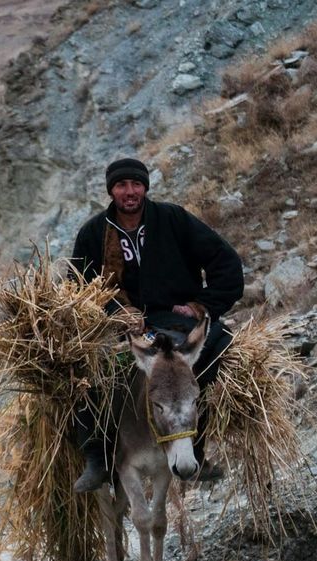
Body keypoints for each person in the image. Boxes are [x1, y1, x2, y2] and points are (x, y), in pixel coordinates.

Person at [69, 157, 244, 493]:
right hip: (116, 326)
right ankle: (98, 456)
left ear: (145, 187)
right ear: (111, 191)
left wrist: (201, 305)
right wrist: (112, 311)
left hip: (173, 321)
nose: (129, 191)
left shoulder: (172, 219)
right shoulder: (93, 233)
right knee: (85, 370)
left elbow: (226, 263)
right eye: (121, 185)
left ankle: (196, 448)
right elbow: (75, 289)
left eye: (136, 184)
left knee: (218, 348)